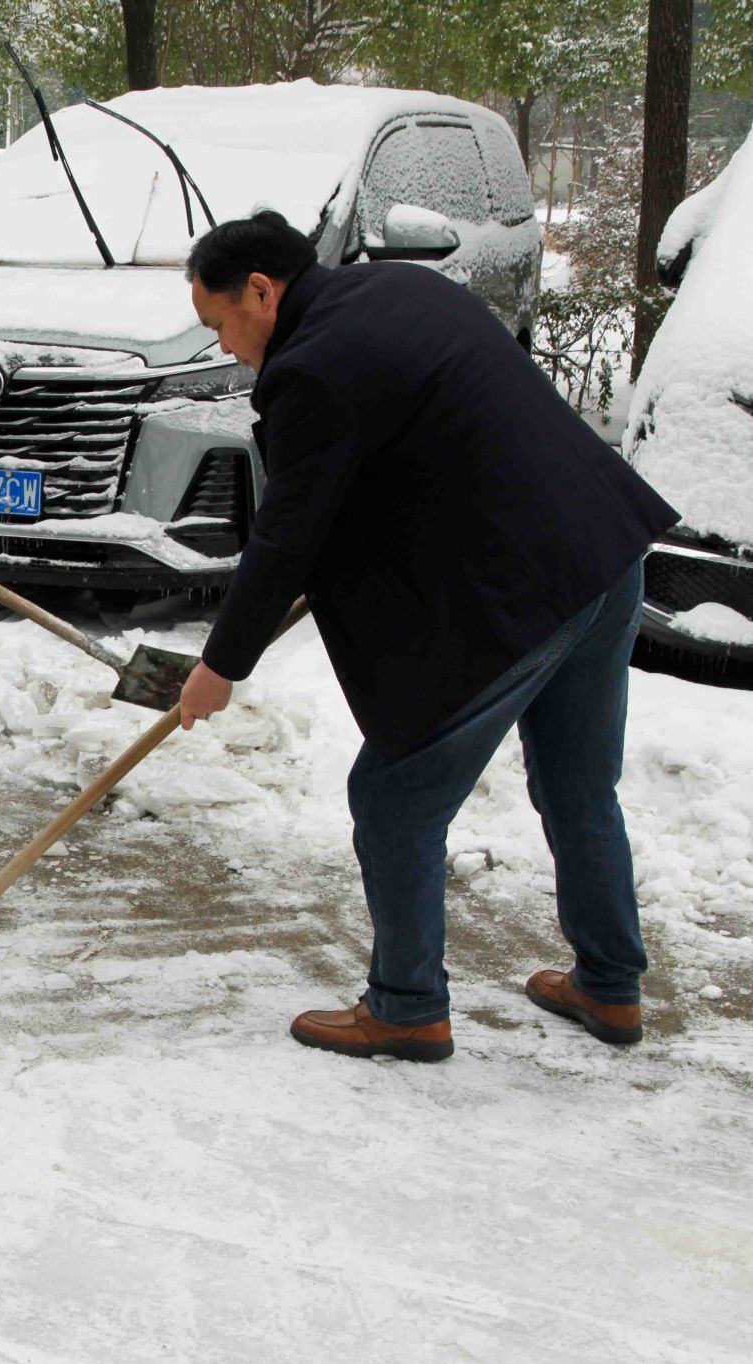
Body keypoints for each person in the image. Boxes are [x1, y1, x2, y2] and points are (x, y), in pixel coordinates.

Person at [175, 211, 679, 1062]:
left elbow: (286, 537)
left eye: (220, 323)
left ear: (261, 292)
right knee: (579, 786)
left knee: (394, 796)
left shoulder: (312, 370)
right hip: (602, 547)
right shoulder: (398, 287)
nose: (225, 346)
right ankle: (610, 984)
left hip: (524, 587)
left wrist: (222, 665)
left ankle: (406, 1004)